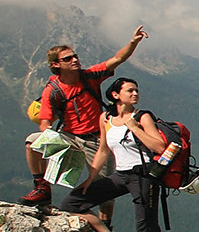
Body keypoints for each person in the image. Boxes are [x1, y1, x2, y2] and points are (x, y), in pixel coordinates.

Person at [63, 77, 173, 232]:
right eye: (130, 90)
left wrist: (135, 128)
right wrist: (91, 178)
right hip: (120, 175)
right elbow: (103, 150)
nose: (135, 94)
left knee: (147, 228)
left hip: (143, 176)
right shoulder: (106, 118)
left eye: (136, 90)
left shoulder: (142, 117)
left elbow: (159, 147)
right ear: (115, 95)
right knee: (72, 202)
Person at [19, 27, 149, 207]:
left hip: (97, 138)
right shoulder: (53, 90)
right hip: (69, 136)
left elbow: (118, 59)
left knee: (103, 188)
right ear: (56, 65)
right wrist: (48, 133)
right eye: (67, 59)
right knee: (31, 142)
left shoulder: (90, 76)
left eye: (75, 56)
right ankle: (42, 188)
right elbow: (44, 122)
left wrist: (133, 42)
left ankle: (106, 226)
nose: (74, 60)